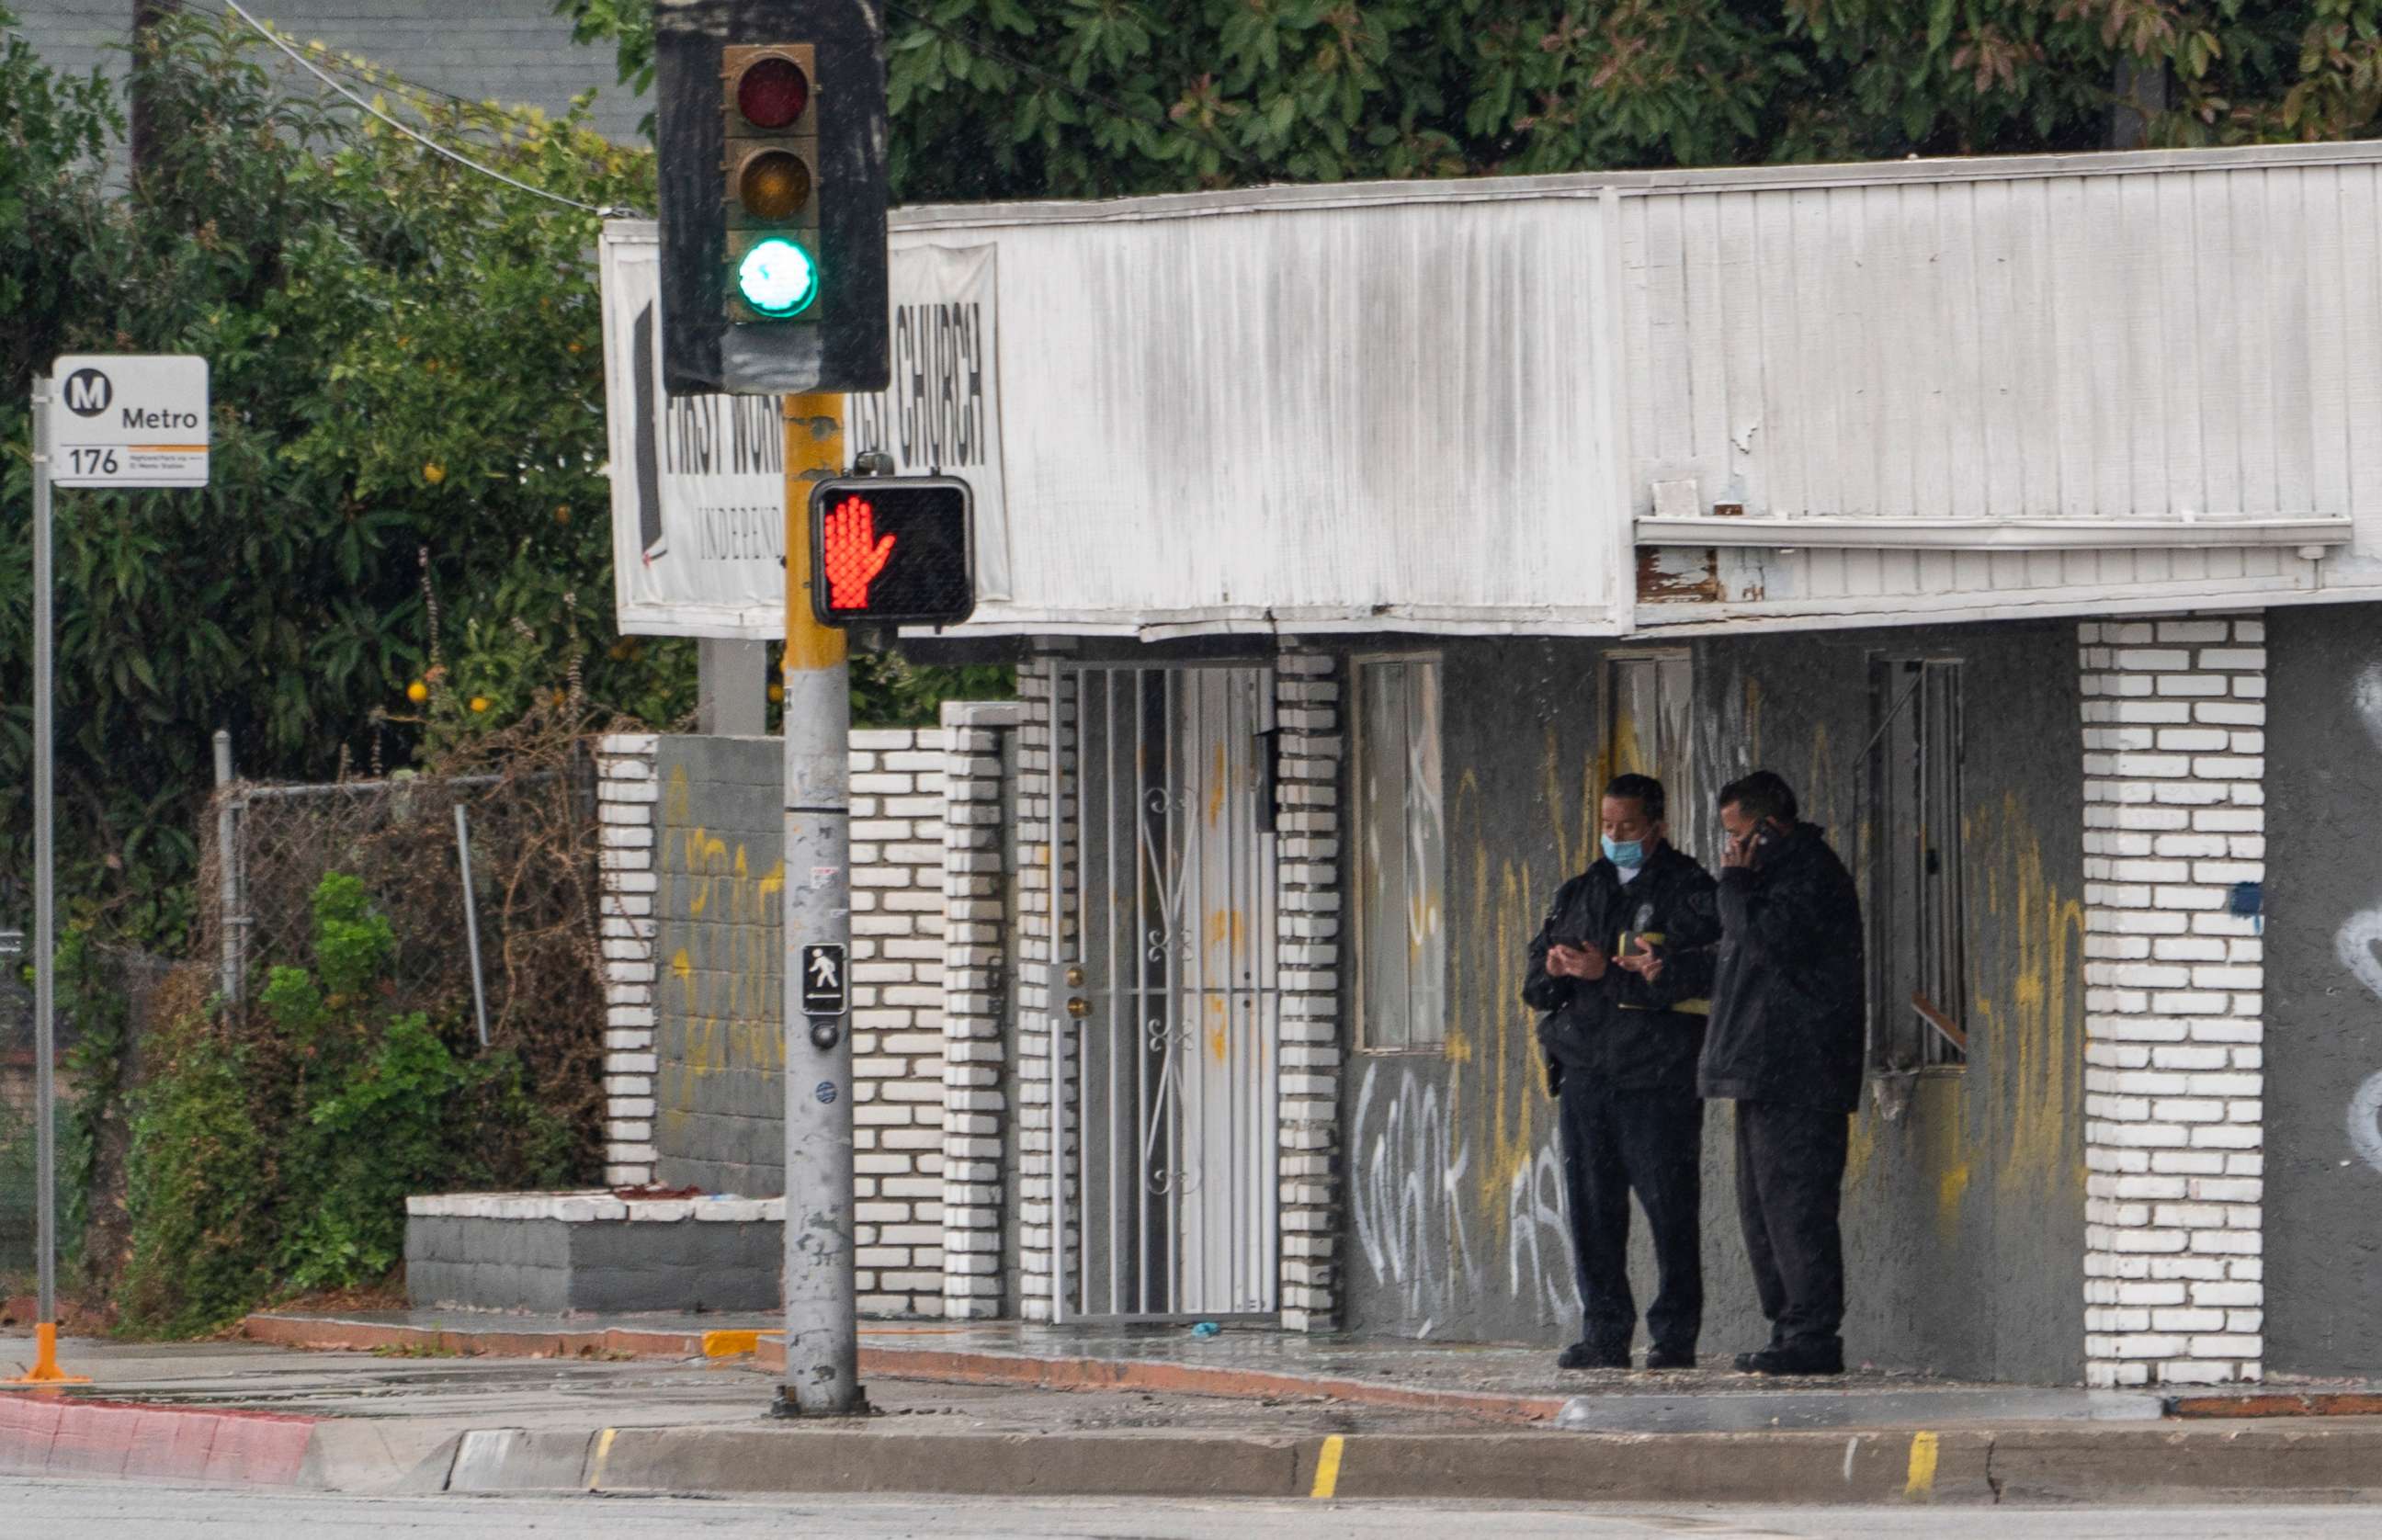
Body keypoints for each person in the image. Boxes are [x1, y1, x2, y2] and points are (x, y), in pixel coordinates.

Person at [1523, 773, 1719, 1372]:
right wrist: (1558, 968)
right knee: (1592, 1209)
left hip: (1658, 1076)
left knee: (1669, 1208)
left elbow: (1714, 976)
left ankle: (1674, 1335)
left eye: (1628, 826)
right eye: (1607, 825)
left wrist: (1612, 974)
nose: (1615, 836)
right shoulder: (1581, 890)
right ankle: (1605, 1332)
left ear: (1657, 826)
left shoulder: (1691, 891)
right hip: (1585, 1074)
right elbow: (1535, 984)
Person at [1701, 770, 1866, 1377]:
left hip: (1799, 1070)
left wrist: (1735, 884)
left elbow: (1769, 944)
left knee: (1796, 1206)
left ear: (1769, 828)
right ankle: (1787, 1327)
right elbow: (1741, 955)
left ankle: (1811, 1334)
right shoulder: (1771, 878)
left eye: (1737, 835)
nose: (1731, 850)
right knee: (1762, 1209)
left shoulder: (1806, 875)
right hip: (1764, 1069)